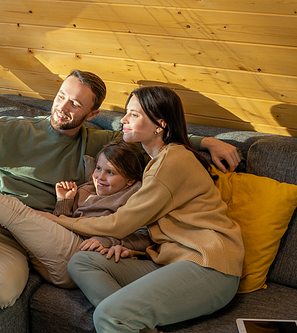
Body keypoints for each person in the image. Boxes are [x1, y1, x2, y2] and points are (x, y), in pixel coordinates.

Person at [0, 70, 240, 333]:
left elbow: (152, 143)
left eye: (76, 105)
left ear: (91, 115)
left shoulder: (107, 146)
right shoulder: (14, 129)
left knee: (4, 291)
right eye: (61, 97)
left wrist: (205, 140)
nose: (63, 107)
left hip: (13, 240)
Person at [54, 86, 245, 333]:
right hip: (171, 260)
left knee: (110, 316)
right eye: (126, 113)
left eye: (133, 114)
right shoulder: (158, 159)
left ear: (160, 124)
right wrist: (133, 250)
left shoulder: (172, 161)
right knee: (82, 262)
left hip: (209, 265)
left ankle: (120, 318)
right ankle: (130, 319)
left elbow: (120, 224)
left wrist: (57, 218)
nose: (124, 120)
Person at [0, 135, 154, 287]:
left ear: (131, 180)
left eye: (110, 173)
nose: (100, 177)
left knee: (18, 213)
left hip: (80, 259)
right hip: (52, 256)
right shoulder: (86, 188)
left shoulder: (135, 194)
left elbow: (144, 236)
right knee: (14, 225)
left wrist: (106, 240)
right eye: (99, 168)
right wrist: (64, 202)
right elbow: (63, 223)